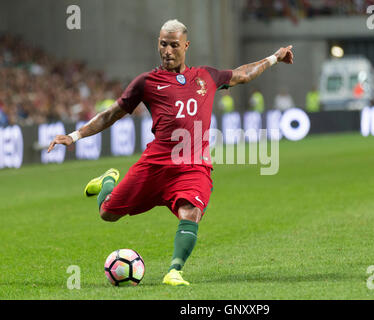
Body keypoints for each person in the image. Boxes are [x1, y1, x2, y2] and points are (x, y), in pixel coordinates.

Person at [47, 19, 294, 286]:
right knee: (107, 212)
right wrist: (74, 136)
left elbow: (243, 74)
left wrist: (275, 57)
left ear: (186, 46)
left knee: (191, 212)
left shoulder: (206, 76)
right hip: (155, 165)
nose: (167, 50)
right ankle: (108, 179)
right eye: (163, 44)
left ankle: (174, 271)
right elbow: (110, 114)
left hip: (193, 166)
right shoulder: (146, 82)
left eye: (174, 45)